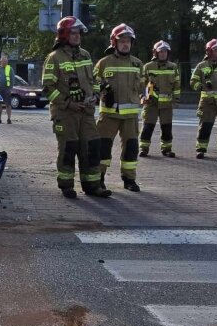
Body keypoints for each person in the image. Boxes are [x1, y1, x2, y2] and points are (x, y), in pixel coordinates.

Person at [42, 16, 112, 199]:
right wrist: (68, 103)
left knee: (91, 147)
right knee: (68, 148)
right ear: (64, 34)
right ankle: (66, 185)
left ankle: (93, 186)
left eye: (78, 33)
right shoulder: (54, 58)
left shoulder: (86, 55)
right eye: (73, 32)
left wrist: (95, 95)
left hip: (86, 113)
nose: (77, 36)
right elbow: (48, 88)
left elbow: (94, 81)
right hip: (65, 114)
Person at [94, 24, 144, 192]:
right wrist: (102, 89)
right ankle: (98, 178)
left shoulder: (137, 64)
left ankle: (129, 179)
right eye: (122, 41)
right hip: (109, 115)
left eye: (128, 41)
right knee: (103, 148)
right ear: (114, 43)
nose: (125, 44)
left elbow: (143, 87)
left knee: (131, 148)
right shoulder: (103, 63)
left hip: (130, 117)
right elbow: (92, 82)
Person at [140, 40, 181, 157]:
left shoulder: (173, 67)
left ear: (168, 53)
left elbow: (177, 85)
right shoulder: (148, 67)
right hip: (151, 104)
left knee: (167, 128)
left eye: (165, 52)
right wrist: (143, 97)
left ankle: (167, 149)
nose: (163, 54)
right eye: (160, 52)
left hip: (167, 105)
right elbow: (141, 84)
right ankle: (143, 148)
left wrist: (176, 100)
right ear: (155, 53)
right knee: (148, 127)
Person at [190, 39, 217, 159]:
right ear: (209, 51)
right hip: (207, 102)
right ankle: (201, 148)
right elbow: (193, 81)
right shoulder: (201, 66)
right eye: (216, 50)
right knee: (205, 126)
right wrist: (201, 86)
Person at [0, 54, 13, 124]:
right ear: (1, 61)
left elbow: (12, 79)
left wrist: (10, 89)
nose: (5, 63)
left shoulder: (10, 69)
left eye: (6, 62)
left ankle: (9, 119)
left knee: (8, 104)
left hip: (6, 89)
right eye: (4, 61)